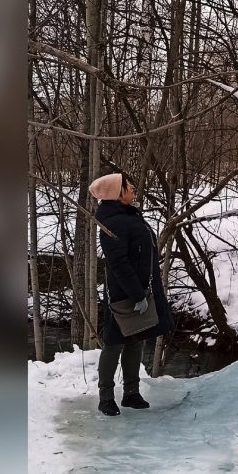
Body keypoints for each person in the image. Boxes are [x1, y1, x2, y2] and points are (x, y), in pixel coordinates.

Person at [90, 171, 173, 416]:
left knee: (135, 340)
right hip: (123, 294)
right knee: (114, 344)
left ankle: (131, 393)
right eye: (128, 186)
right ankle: (106, 397)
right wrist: (137, 295)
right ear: (118, 192)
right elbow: (118, 263)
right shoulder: (113, 222)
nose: (133, 188)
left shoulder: (127, 215)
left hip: (141, 289)